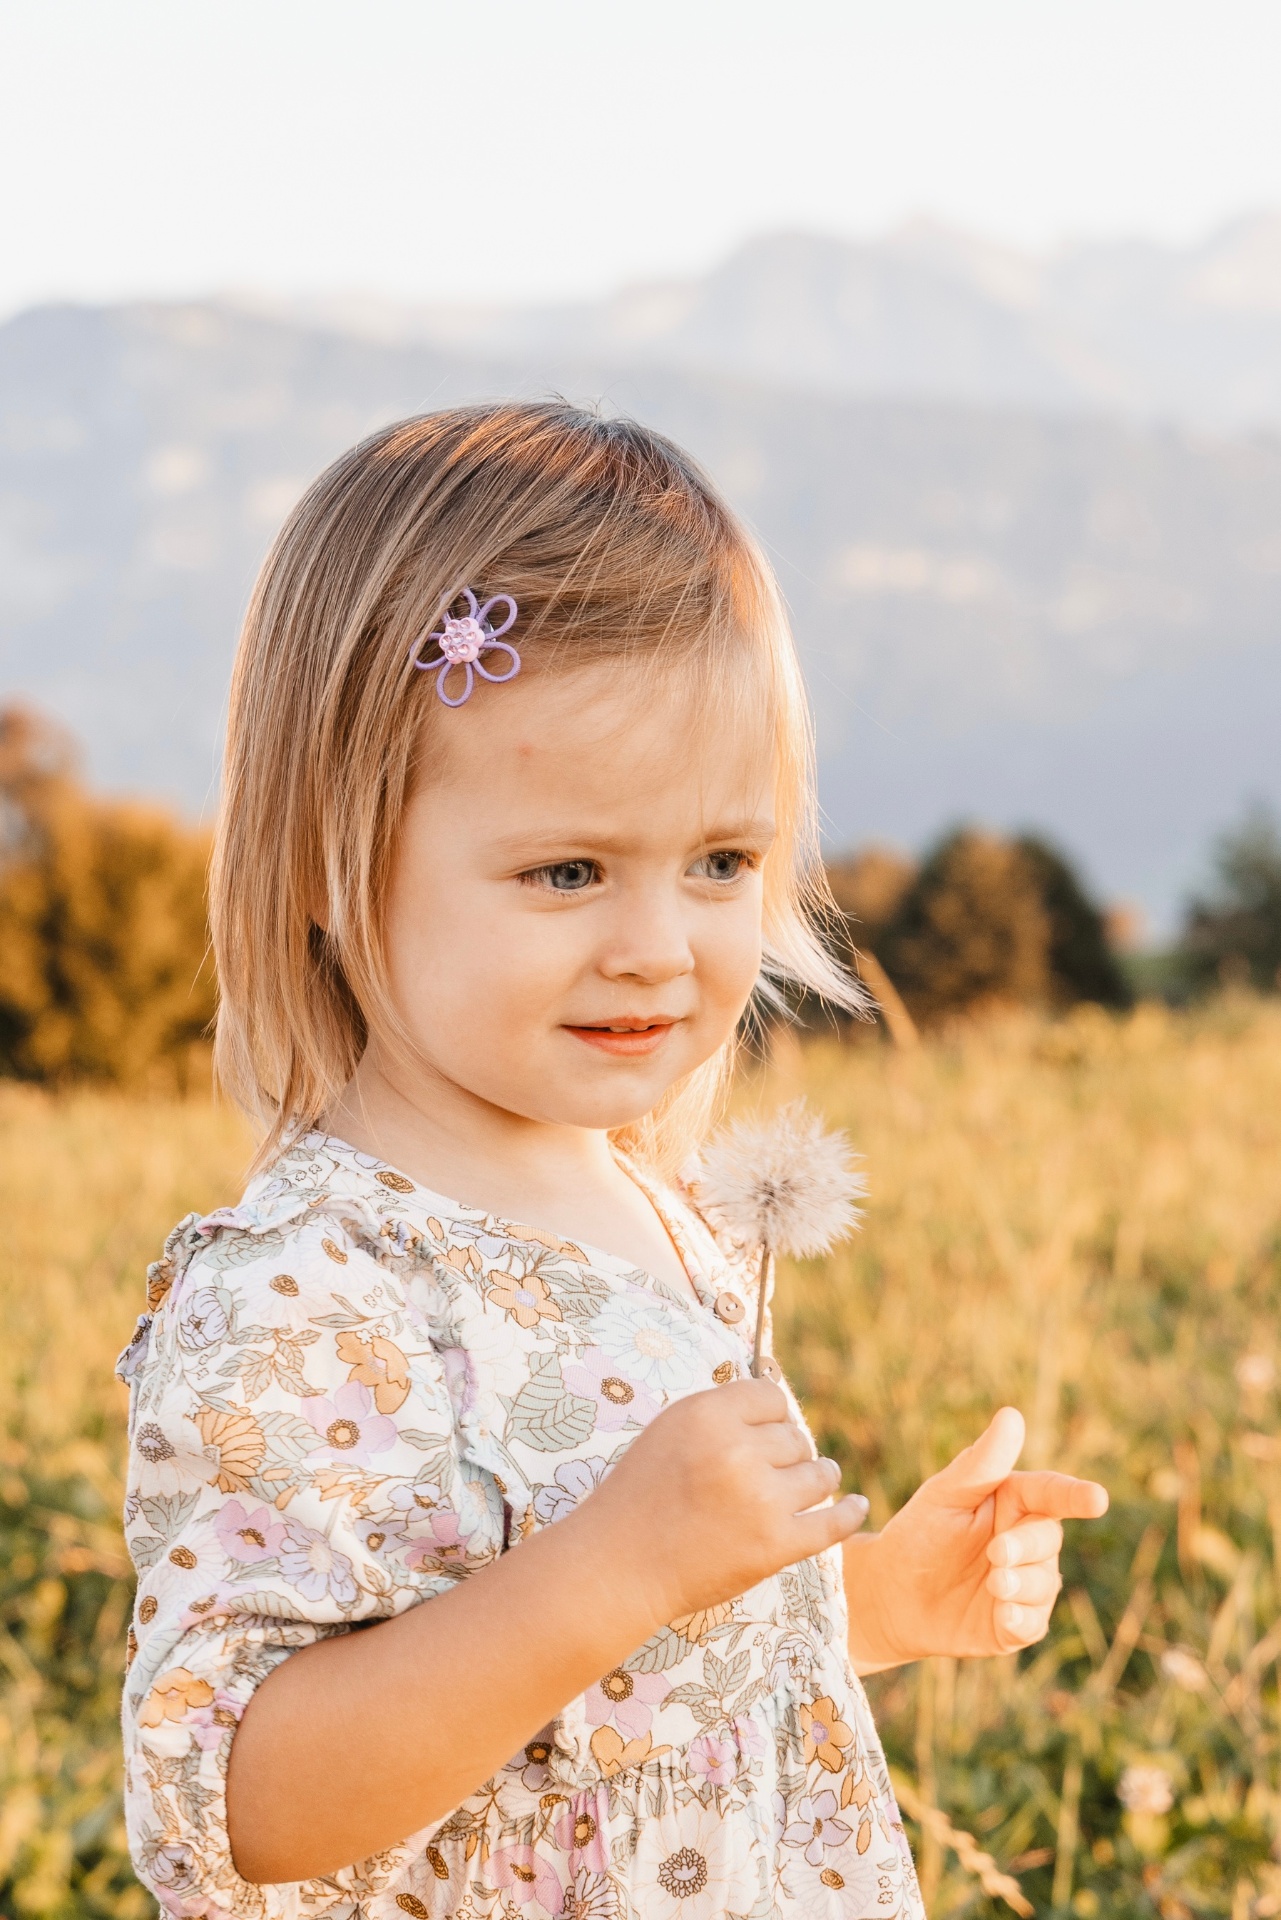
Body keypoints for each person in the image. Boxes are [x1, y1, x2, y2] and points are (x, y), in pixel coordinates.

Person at [118, 403, 1108, 1920]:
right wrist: (615, 1565)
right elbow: (247, 1802)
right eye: (567, 870)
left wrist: (869, 1605)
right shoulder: (311, 1291)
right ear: (329, 857)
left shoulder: (645, 1199)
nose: (658, 946)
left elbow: (632, 1701)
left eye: (721, 863)